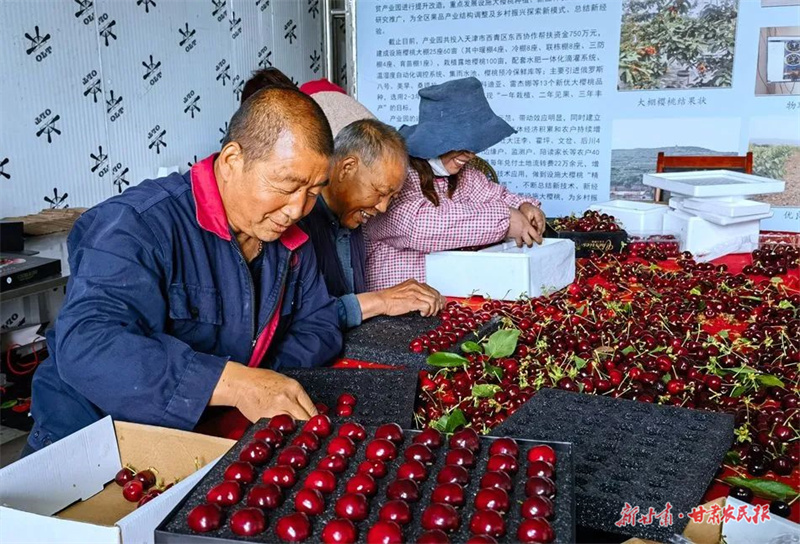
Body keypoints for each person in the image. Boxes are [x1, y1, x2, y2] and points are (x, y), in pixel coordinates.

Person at [27, 87, 341, 453]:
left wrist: (261, 380)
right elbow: (89, 344)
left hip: (203, 437)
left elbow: (319, 323)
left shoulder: (290, 240)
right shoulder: (136, 225)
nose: (297, 208)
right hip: (94, 438)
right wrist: (232, 383)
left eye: (314, 191)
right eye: (287, 185)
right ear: (231, 161)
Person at [365, 77, 547, 291]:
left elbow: (496, 195)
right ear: (436, 139)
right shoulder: (397, 172)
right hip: (397, 305)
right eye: (461, 143)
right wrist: (505, 219)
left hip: (449, 295)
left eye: (473, 144)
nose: (470, 154)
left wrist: (524, 206)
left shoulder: (464, 176)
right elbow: (420, 227)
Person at [297, 79, 445, 329]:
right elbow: (303, 321)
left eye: (393, 197)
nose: (383, 208)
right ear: (347, 168)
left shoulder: (352, 220)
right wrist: (381, 301)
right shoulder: (300, 219)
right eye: (380, 192)